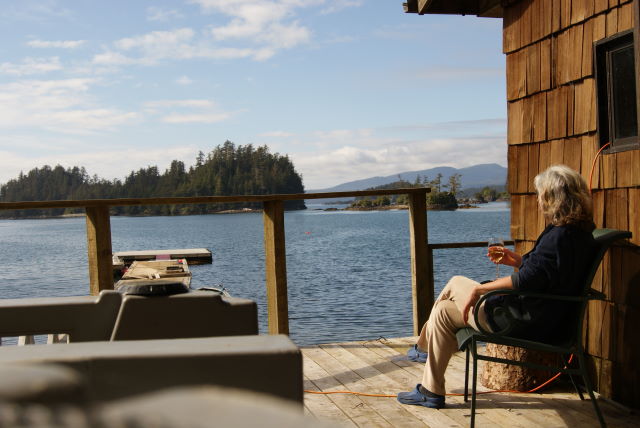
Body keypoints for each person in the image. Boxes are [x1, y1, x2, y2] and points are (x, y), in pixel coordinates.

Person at [397, 165, 597, 409]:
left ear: (552, 198)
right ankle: (428, 379)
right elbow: (546, 274)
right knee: (446, 305)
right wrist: (517, 261)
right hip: (544, 317)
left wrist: (482, 289)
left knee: (452, 291)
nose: (538, 200)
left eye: (540, 195)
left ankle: (424, 356)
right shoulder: (579, 233)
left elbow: (525, 281)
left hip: (523, 321)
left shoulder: (559, 236)